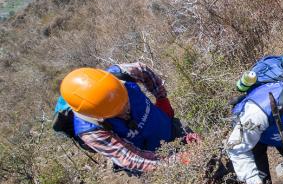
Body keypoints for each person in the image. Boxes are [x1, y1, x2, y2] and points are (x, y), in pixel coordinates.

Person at [58, 62, 192, 174]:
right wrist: (172, 162)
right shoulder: (90, 132)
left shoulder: (122, 74)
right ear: (97, 115)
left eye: (125, 102)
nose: (125, 109)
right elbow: (130, 159)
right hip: (149, 157)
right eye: (117, 111)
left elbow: (144, 70)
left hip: (167, 126)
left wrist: (162, 98)